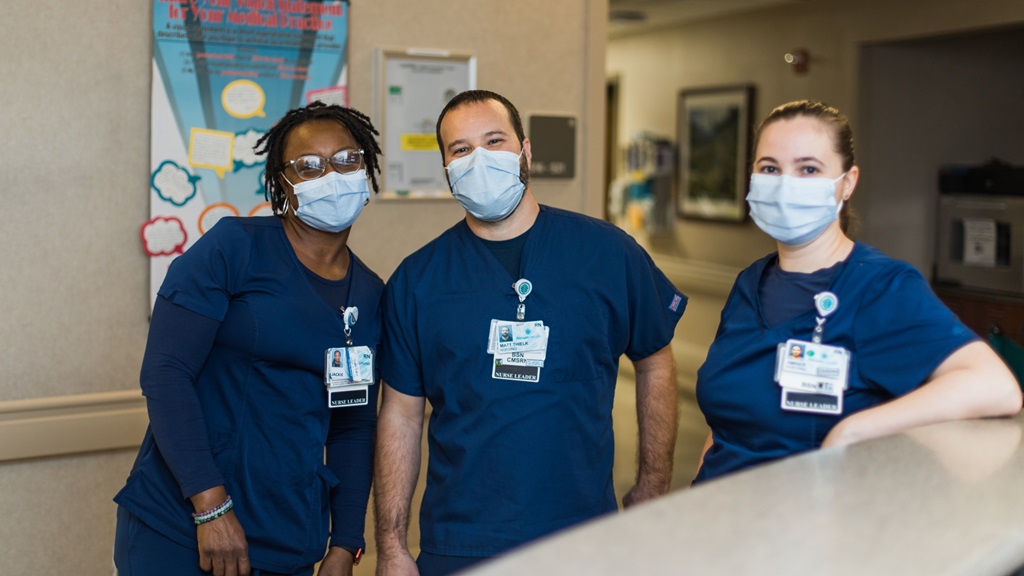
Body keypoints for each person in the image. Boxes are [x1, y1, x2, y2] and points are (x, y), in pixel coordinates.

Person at [373, 90, 687, 576]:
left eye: (494, 140)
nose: (479, 158)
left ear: (526, 150)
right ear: (446, 170)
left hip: (583, 535)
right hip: (461, 543)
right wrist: (391, 546)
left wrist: (653, 482)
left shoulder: (607, 253)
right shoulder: (418, 280)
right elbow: (401, 416)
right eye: (460, 150)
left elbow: (655, 359)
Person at [114, 101, 385, 576]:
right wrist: (211, 507)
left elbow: (352, 425)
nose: (332, 176)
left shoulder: (370, 292)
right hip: (182, 529)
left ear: (366, 168)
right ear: (283, 182)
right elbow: (166, 373)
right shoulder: (233, 248)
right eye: (309, 166)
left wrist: (345, 543)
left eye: (346, 159)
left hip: (289, 539)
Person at [693, 100, 1022, 483]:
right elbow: (724, 425)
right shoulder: (751, 283)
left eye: (809, 169)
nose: (785, 184)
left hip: (809, 524)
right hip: (716, 519)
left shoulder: (881, 287)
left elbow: (995, 387)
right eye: (770, 168)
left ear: (847, 183)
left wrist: (854, 429)